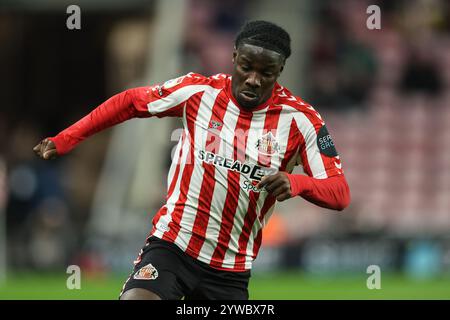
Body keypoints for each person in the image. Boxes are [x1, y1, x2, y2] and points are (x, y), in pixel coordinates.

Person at [33, 20, 350, 300]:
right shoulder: (199, 92)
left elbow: (339, 193)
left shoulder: (301, 121)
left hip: (230, 269)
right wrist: (64, 140)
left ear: (279, 71)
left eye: (266, 73)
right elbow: (130, 102)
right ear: (234, 58)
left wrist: (296, 182)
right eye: (247, 67)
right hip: (173, 247)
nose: (254, 79)